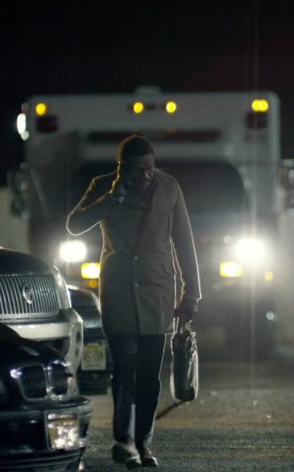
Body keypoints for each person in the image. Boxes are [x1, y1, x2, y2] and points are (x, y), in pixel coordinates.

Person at [67, 134, 201, 468]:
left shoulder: (169, 188)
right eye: (137, 170)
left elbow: (185, 242)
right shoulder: (104, 187)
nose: (146, 176)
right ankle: (123, 441)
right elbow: (74, 225)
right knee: (125, 372)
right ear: (121, 169)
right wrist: (111, 199)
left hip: (157, 291)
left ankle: (145, 443)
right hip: (120, 291)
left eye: (150, 168)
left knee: (149, 376)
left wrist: (192, 293)